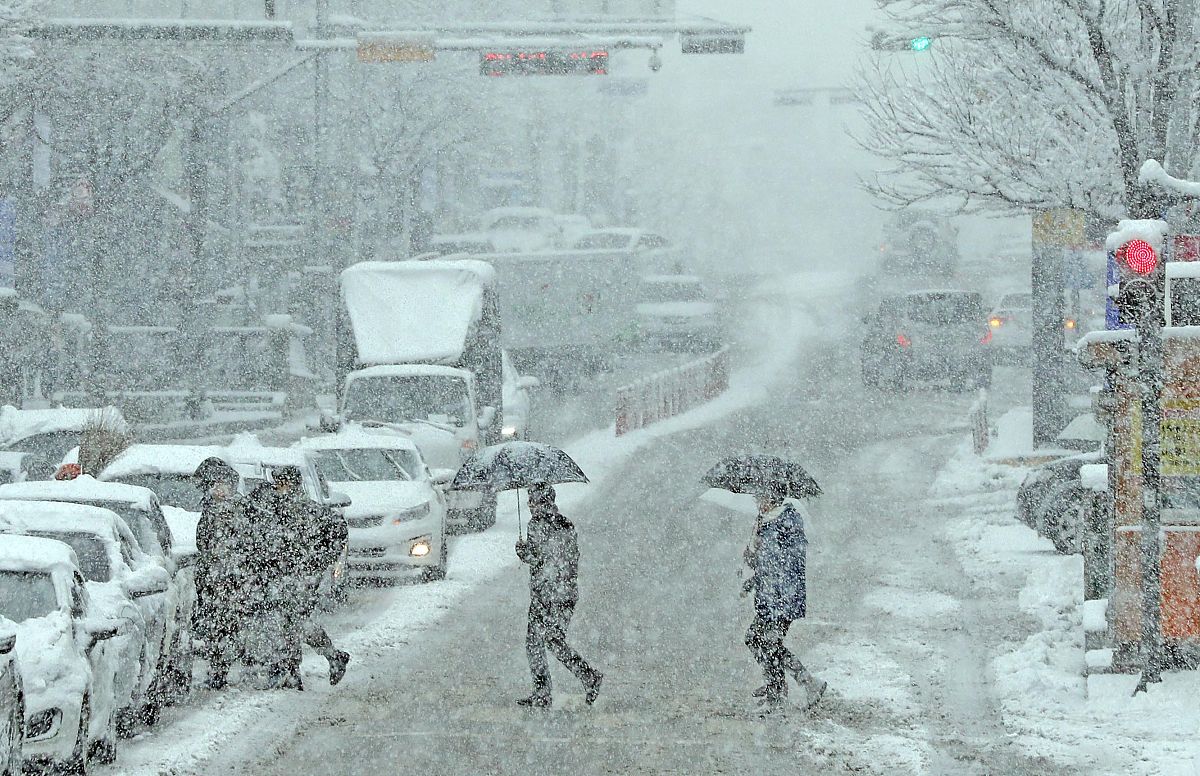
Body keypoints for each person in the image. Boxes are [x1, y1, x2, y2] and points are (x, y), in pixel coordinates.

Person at [515, 484, 602, 708]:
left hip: (546, 594)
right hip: (566, 594)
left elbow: (541, 560)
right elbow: (570, 558)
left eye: (531, 500)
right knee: (551, 641)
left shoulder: (536, 525)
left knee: (538, 642)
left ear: (539, 501)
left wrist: (524, 553)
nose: (528, 504)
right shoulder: (566, 523)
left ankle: (552, 689)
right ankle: (584, 678)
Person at [742, 486, 826, 710]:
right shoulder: (766, 521)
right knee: (761, 640)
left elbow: (788, 562)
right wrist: (752, 556)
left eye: (760, 498)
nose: (757, 503)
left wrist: (763, 557)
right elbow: (763, 561)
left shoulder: (787, 521)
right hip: (768, 596)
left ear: (772, 497)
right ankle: (781, 686)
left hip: (782, 598)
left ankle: (782, 690)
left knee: (763, 640)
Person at [269, 466, 351, 689]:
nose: (278, 488)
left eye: (281, 484)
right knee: (294, 623)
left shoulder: (309, 510)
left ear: (291, 485)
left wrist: (318, 561)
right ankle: (329, 658)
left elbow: (338, 532)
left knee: (294, 622)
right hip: (289, 576)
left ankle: (294, 672)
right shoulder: (278, 511)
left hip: (303, 577)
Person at [192, 457, 252, 690]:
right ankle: (219, 670)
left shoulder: (237, 510)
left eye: (221, 484)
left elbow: (248, 543)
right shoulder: (210, 510)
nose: (218, 489)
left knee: (230, 626)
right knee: (218, 628)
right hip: (216, 582)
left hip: (234, 581)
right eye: (213, 485)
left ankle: (231, 666)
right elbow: (202, 542)